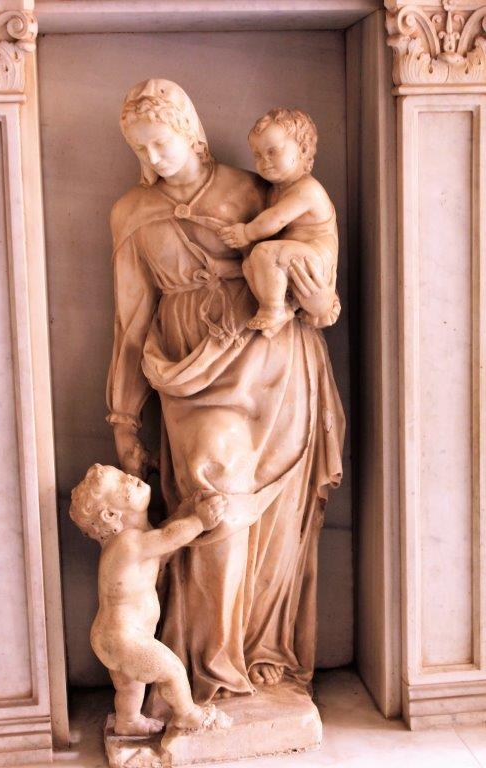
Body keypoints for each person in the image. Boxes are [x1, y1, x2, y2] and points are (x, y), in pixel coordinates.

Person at [106, 78, 345, 705]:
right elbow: (130, 321)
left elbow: (312, 265)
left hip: (276, 363)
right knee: (217, 491)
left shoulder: (254, 188)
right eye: (140, 148)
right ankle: (212, 666)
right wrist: (124, 420)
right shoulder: (131, 211)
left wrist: (321, 300)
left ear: (191, 131)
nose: (152, 158)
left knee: (275, 517)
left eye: (161, 143)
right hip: (191, 369)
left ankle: (261, 649)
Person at [69, 464, 230, 734]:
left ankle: (128, 721)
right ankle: (187, 714)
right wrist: (199, 521)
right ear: (110, 514)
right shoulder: (129, 543)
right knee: (172, 670)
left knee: (130, 686)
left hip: (111, 636)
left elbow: (163, 536)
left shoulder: (133, 540)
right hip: (124, 637)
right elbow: (168, 538)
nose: (131, 477)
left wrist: (185, 512)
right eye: (122, 482)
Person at [219, 108, 339, 337]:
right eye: (257, 155)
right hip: (295, 257)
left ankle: (273, 309)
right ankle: (281, 307)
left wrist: (246, 232)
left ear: (303, 150)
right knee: (249, 265)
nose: (264, 161)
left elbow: (275, 219)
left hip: (315, 261)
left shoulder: (307, 189)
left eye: (273, 152)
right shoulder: (276, 190)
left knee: (264, 253)